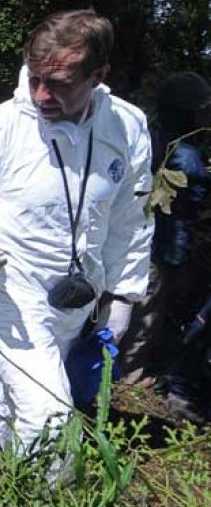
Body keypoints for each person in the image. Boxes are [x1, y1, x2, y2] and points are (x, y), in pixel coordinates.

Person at [0, 10, 154, 475]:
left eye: (60, 83)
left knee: (30, 383)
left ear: (98, 76)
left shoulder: (127, 127)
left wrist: (124, 293)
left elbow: (129, 219)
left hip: (78, 290)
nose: (41, 95)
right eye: (34, 79)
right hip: (11, 288)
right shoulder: (1, 128)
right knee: (50, 415)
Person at [119, 71, 211, 421]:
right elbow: (187, 215)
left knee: (138, 305)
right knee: (147, 312)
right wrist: (180, 257)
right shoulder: (186, 158)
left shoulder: (153, 140)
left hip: (141, 241)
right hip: (163, 248)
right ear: (187, 112)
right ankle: (130, 374)